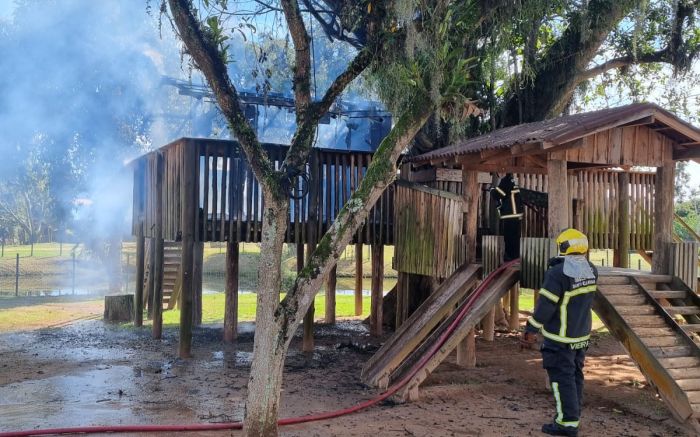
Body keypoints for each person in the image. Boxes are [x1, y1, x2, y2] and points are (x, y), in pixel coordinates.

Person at [520, 228, 598, 437]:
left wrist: (531, 329)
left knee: (561, 379)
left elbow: (546, 306)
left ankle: (567, 424)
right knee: (574, 377)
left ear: (563, 247)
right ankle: (573, 415)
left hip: (560, 339)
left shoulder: (557, 273)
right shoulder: (591, 269)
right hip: (580, 336)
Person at [490, 173, 523, 260]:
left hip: (510, 214)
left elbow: (499, 194)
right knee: (515, 237)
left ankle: (511, 257)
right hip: (516, 214)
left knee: (509, 237)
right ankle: (515, 256)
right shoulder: (512, 180)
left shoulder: (506, 180)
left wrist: (492, 190)